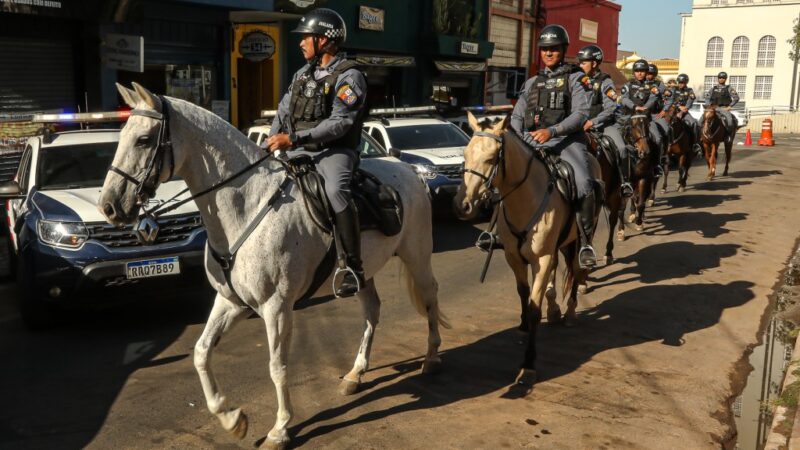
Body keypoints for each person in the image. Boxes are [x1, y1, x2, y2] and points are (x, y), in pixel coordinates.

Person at [266, 8, 368, 297]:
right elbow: (283, 111)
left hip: (334, 152)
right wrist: (269, 142)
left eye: (306, 38)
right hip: (299, 149)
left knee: (336, 189)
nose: (300, 43)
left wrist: (294, 138)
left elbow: (340, 123)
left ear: (323, 40)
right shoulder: (302, 74)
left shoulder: (350, 77)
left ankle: (352, 267)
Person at [510, 24, 599, 269]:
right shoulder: (530, 83)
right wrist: (520, 138)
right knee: (504, 178)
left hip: (566, 142)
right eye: (545, 49)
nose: (549, 53)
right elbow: (517, 116)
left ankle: (585, 242)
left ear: (563, 50)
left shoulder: (576, 79)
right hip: (532, 142)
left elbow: (581, 114)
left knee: (583, 183)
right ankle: (499, 233)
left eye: (554, 49)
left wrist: (552, 131)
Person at [577, 44, 633, 198]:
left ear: (594, 63)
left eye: (583, 62)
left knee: (621, 148)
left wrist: (592, 122)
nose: (580, 65)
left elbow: (610, 109)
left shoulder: (605, 81)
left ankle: (625, 182)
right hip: (579, 126)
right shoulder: (577, 80)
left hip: (603, 126)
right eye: (580, 62)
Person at [618, 59, 664, 173]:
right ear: (634, 72)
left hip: (646, 119)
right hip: (629, 118)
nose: (639, 73)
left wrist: (645, 108)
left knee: (657, 138)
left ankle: (656, 165)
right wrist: (634, 107)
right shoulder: (628, 85)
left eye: (642, 71)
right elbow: (623, 98)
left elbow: (653, 98)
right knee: (616, 139)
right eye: (637, 71)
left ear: (646, 72)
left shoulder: (652, 86)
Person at [645, 63, 670, 174]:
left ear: (654, 74)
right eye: (647, 73)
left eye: (650, 73)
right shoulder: (639, 83)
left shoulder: (660, 85)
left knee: (664, 132)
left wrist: (665, 110)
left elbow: (670, 97)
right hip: (640, 115)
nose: (648, 75)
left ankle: (662, 157)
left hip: (655, 115)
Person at [670, 74, 702, 155]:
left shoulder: (689, 90)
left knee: (694, 123)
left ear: (686, 82)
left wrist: (684, 110)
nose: (680, 84)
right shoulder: (673, 89)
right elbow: (669, 100)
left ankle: (695, 144)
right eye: (679, 82)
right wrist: (679, 106)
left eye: (682, 82)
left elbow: (690, 101)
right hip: (673, 112)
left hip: (685, 113)